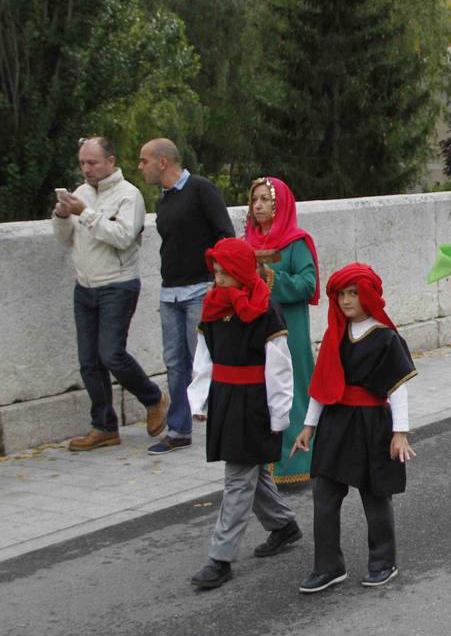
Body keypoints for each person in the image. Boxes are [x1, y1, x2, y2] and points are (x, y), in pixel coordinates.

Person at [293, 263, 417, 592]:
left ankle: (382, 561)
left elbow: (397, 388)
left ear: (368, 295)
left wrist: (399, 432)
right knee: (324, 493)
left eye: (353, 293)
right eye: (341, 294)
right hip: (336, 422)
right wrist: (308, 426)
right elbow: (322, 385)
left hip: (373, 424)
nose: (346, 301)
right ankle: (328, 566)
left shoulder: (386, 337)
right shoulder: (335, 335)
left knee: (375, 496)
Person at [185, 238, 299, 590]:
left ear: (241, 272)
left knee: (238, 477)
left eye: (225, 272)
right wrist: (200, 400)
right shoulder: (212, 307)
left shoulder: (265, 311)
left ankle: (220, 558)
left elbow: (280, 368)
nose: (218, 279)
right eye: (216, 272)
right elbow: (204, 358)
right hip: (225, 397)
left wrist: (279, 414)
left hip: (254, 403)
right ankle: (283, 526)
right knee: (249, 469)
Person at [53, 137, 167, 452]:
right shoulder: (80, 193)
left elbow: (123, 237)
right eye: (82, 163)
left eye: (92, 163)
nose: (86, 169)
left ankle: (154, 398)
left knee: (111, 354)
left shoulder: (129, 195)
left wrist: (86, 213)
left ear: (111, 162)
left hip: (118, 283)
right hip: (85, 286)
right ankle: (104, 426)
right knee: (89, 361)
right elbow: (66, 240)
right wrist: (63, 215)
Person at [138, 138, 235, 454]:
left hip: (199, 290)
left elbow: (225, 234)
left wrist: (218, 281)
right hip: (170, 293)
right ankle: (179, 429)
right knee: (174, 362)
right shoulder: (163, 200)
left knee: (206, 358)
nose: (140, 167)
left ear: (163, 162)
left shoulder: (200, 189)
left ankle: (225, 421)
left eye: (144, 161)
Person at [243, 177, 319, 483]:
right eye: (254, 200)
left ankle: (297, 461)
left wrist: (272, 279)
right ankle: (263, 458)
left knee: (292, 388)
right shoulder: (247, 242)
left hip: (288, 328)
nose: (258, 205)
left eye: (265, 199)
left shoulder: (295, 242)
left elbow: (308, 283)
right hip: (255, 328)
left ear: (280, 205)